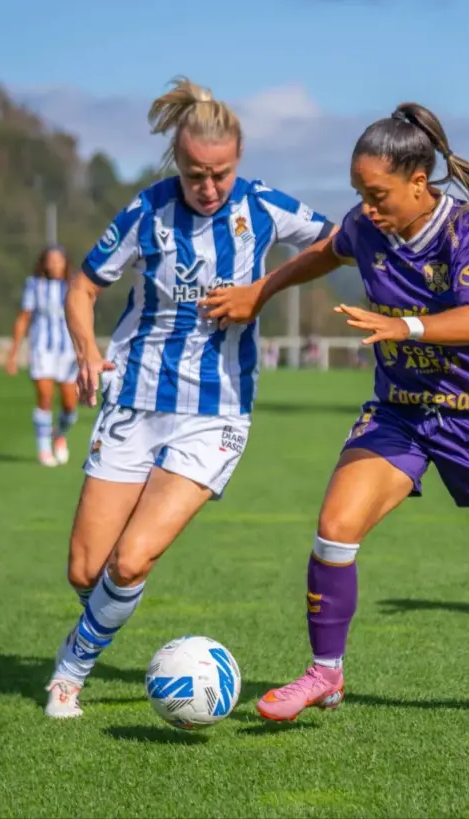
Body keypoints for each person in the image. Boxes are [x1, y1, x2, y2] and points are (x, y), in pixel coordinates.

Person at [202, 103, 469, 724]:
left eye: (376, 194)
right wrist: (261, 290)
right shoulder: (366, 225)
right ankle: (326, 674)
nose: (367, 207)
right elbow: (328, 251)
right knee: (334, 530)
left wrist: (401, 325)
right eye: (359, 193)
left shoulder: (465, 229)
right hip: (400, 415)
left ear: (418, 181)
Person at [43, 77, 335, 719]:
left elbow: (334, 243)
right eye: (196, 173)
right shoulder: (146, 212)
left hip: (217, 411)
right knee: (88, 572)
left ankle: (70, 671)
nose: (208, 187)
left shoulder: (261, 207)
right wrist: (89, 352)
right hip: (135, 400)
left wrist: (263, 290)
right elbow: (83, 288)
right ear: (177, 160)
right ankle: (109, 624)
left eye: (220, 174)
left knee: (133, 556)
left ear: (239, 160)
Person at [6, 245, 80, 466]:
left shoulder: (73, 285)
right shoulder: (34, 285)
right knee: (45, 398)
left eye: (59, 260)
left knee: (69, 404)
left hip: (67, 351)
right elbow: (23, 318)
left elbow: (82, 318)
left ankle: (59, 435)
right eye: (51, 260)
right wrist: (13, 352)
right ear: (44, 263)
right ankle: (43, 449)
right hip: (41, 349)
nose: (55, 265)